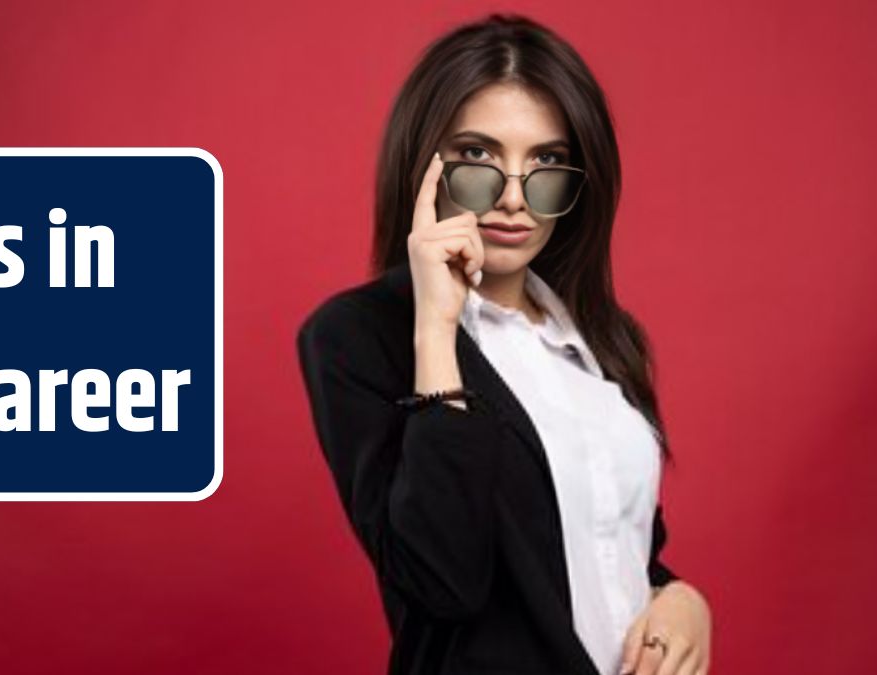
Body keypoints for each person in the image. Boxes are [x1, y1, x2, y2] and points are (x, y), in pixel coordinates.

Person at [296, 14, 712, 675]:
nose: (515, 199)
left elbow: (600, 545)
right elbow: (439, 579)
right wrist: (435, 330)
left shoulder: (603, 339)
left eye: (546, 163)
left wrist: (682, 597)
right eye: (478, 158)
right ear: (424, 162)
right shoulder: (357, 335)